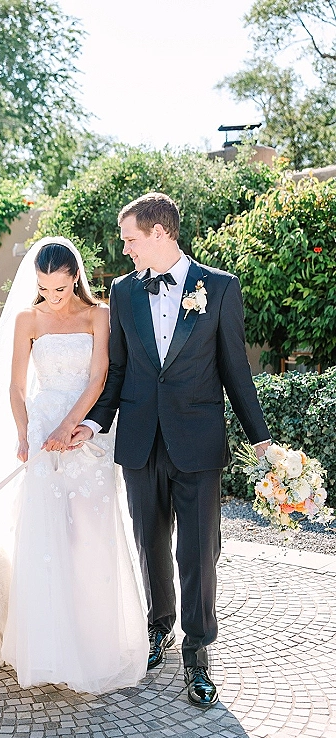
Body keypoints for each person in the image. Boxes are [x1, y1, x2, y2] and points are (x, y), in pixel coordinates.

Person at [72, 193, 271, 709]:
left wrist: (262, 439)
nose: (125, 249)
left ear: (160, 234)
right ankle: (158, 627)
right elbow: (117, 373)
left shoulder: (220, 289)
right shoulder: (122, 292)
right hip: (139, 442)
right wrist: (93, 425)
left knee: (199, 551)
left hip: (198, 444)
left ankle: (198, 654)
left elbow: (235, 371)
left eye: (130, 239)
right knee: (150, 545)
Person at [0, 237, 149, 694]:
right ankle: (49, 649)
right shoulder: (27, 319)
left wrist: (71, 427)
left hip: (84, 436)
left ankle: (95, 646)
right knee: (46, 539)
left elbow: (99, 378)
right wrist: (24, 433)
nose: (51, 298)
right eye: (43, 288)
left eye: (59, 289)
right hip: (40, 437)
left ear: (75, 277)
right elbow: (16, 387)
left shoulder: (98, 315)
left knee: (90, 537)